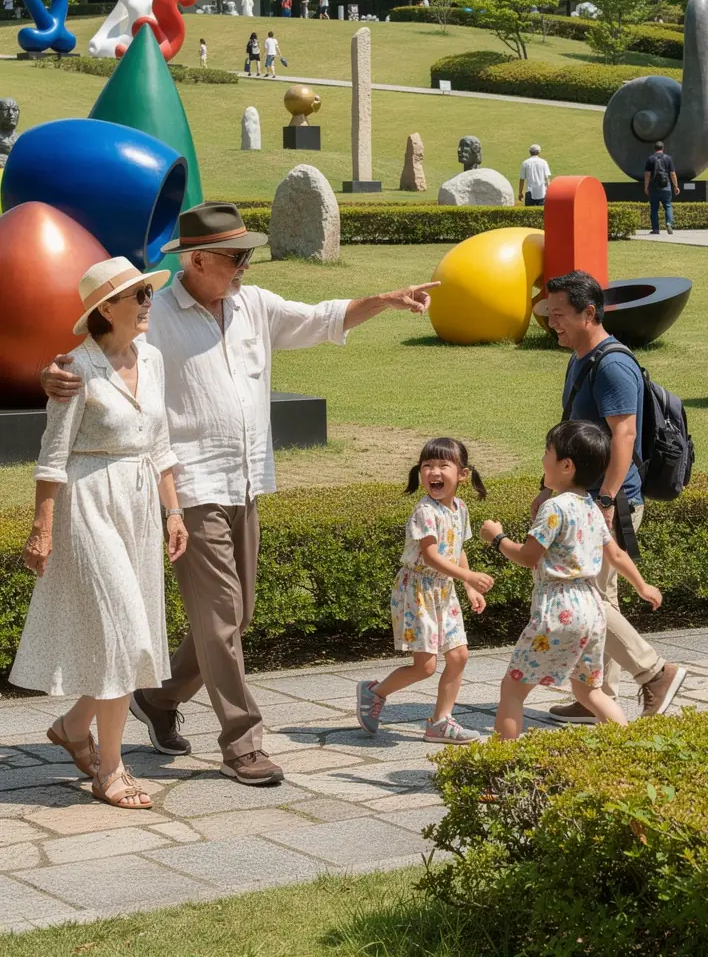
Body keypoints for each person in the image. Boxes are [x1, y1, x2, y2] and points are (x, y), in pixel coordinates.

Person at [42, 202, 439, 787]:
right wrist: (48, 377)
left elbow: (323, 317)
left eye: (246, 255)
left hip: (247, 480)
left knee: (236, 616)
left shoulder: (255, 305)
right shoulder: (158, 316)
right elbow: (93, 359)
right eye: (234, 257)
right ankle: (242, 742)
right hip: (191, 484)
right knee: (223, 618)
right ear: (196, 259)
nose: (244, 267)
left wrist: (382, 298)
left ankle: (159, 697)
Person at [12, 257, 187, 810]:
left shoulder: (153, 358)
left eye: (146, 292)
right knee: (125, 635)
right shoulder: (74, 369)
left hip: (138, 506)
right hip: (88, 505)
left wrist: (174, 512)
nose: (146, 301)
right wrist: (42, 530)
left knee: (126, 638)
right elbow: (51, 457)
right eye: (135, 294)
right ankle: (110, 770)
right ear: (104, 308)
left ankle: (72, 726)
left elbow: (159, 444)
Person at [539, 271, 686, 723]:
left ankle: (655, 673)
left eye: (560, 315)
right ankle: (596, 698)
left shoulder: (613, 364)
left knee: (589, 598)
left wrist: (603, 501)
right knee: (603, 596)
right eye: (550, 315)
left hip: (610, 503)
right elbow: (573, 436)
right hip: (587, 500)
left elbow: (624, 435)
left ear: (589, 312)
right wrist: (547, 491)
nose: (553, 324)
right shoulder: (581, 359)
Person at [480, 421, 662, 740]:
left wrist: (497, 538)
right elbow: (617, 555)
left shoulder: (554, 508)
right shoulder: (591, 507)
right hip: (592, 610)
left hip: (558, 610)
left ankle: (501, 770)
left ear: (566, 465)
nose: (542, 460)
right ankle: (628, 751)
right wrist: (642, 586)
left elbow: (528, 557)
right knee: (588, 692)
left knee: (512, 689)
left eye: (547, 452)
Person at [356, 438, 494, 745]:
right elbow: (431, 557)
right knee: (426, 666)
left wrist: (469, 586)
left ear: (463, 474)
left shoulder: (460, 509)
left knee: (458, 656)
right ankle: (374, 692)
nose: (434, 471)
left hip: (445, 591)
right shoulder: (424, 511)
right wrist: (470, 576)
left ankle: (440, 722)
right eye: (427, 465)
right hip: (418, 590)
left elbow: (457, 551)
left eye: (444, 465)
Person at [644, 139, 679, 236]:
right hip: (666, 187)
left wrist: (646, 187)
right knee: (668, 205)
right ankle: (669, 223)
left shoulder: (650, 159)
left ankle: (655, 229)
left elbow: (647, 175)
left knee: (654, 209)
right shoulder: (668, 158)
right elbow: (672, 174)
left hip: (654, 188)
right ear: (663, 149)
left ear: (655, 149)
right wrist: (676, 186)